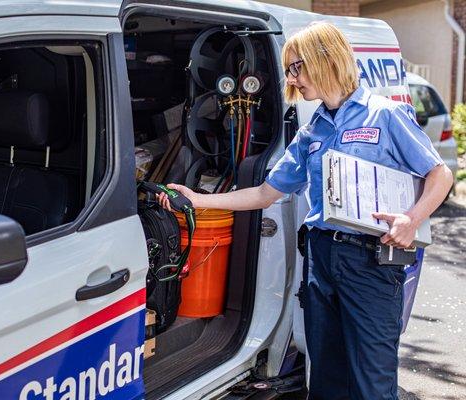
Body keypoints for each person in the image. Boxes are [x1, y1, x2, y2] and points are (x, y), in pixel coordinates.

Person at [157, 22, 454, 400]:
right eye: (289, 70)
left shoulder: (385, 116)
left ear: (326, 60)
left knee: (371, 382)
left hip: (371, 262)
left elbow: (438, 173)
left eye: (296, 67)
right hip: (321, 257)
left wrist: (412, 220)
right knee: (325, 376)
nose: (292, 79)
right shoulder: (312, 131)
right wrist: (198, 200)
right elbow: (265, 193)